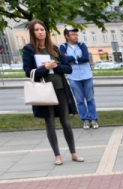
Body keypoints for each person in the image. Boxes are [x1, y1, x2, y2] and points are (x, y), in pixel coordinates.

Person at [22, 20, 84, 166]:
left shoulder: (54, 48)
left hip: (60, 89)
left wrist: (55, 66)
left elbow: (68, 69)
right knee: (50, 123)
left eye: (42, 29)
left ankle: (73, 153)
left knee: (66, 123)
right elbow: (27, 72)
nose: (40, 32)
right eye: (36, 30)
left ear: (46, 31)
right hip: (44, 91)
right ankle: (57, 155)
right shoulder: (29, 49)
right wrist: (45, 68)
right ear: (32, 32)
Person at [60, 26, 98, 130]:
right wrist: (75, 58)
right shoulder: (63, 47)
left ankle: (93, 118)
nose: (76, 36)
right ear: (67, 36)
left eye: (76, 34)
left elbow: (86, 58)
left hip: (87, 75)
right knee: (80, 100)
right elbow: (63, 60)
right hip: (73, 77)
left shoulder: (82, 45)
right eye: (73, 34)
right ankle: (85, 119)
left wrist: (72, 59)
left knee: (90, 99)